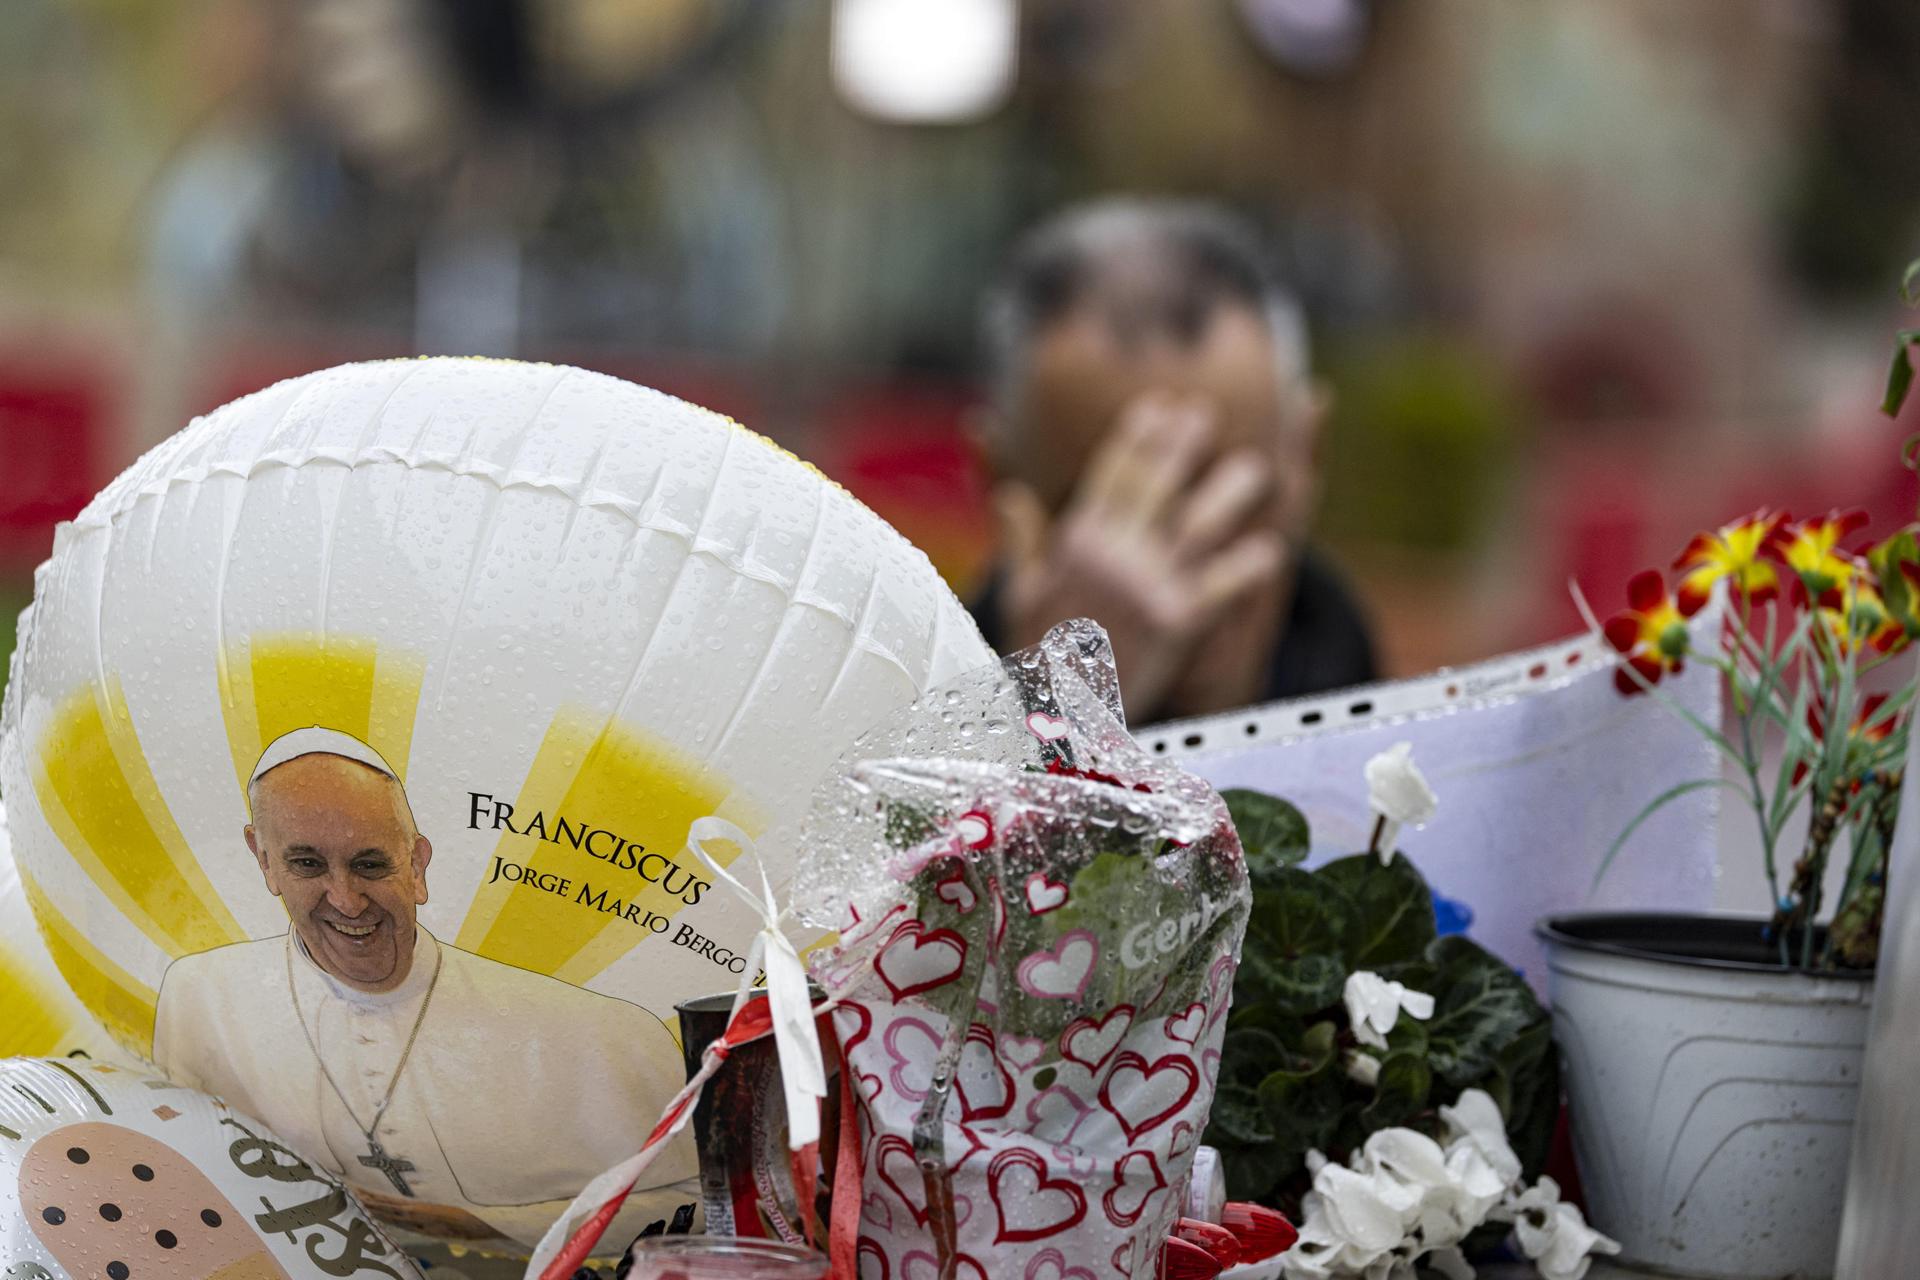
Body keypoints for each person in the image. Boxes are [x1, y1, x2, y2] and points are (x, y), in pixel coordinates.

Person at [152, 727, 696, 1248]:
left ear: (417, 866)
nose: (344, 898)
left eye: (369, 865)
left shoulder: (600, 1032)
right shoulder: (201, 994)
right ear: (264, 860)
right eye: (307, 864)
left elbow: (695, 1207)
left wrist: (485, 1226)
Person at [971, 198, 1377, 723]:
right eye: (1108, 511)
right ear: (997, 476)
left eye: (1236, 506)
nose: (1167, 601)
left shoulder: (1364, 704)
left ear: (1308, 453)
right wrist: (1052, 723)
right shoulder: (910, 702)